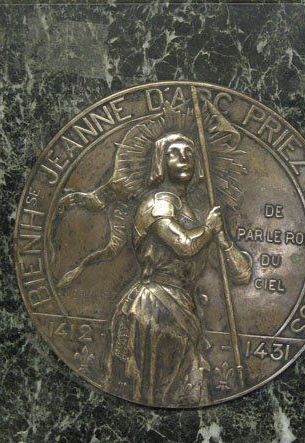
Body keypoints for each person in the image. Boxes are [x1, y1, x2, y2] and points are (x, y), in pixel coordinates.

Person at [105, 132, 251, 407]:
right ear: (161, 161)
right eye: (175, 153)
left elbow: (241, 274)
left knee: (185, 385)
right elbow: (184, 245)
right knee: (161, 389)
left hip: (183, 304)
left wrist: (222, 239)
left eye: (190, 154)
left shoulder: (192, 214)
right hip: (154, 306)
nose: (185, 159)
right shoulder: (158, 205)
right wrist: (208, 229)